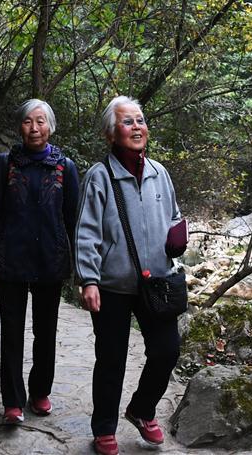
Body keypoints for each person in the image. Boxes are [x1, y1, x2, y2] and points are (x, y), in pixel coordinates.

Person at [75, 96, 187, 455]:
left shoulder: (159, 172)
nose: (137, 127)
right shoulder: (100, 176)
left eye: (140, 120)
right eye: (128, 122)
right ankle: (104, 427)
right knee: (112, 358)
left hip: (157, 283)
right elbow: (87, 232)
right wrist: (89, 279)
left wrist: (176, 233)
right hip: (112, 285)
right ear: (111, 133)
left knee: (166, 351)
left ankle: (141, 409)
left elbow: (174, 213)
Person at [0, 99, 80, 425]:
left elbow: (74, 220)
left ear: (50, 126)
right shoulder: (6, 164)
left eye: (41, 122)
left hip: (50, 260)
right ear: (20, 126)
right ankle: (13, 401)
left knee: (46, 333)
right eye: (28, 122)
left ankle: (40, 392)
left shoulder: (66, 167)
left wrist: (83, 266)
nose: (34, 128)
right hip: (10, 261)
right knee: (12, 333)